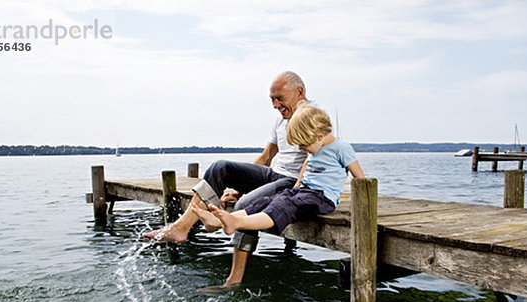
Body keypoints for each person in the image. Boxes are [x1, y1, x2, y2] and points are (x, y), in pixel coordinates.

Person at [143, 71, 311, 285]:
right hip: (275, 176)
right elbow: (266, 156)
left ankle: (234, 279)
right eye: (272, 99)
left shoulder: (312, 116)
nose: (275, 105)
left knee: (245, 204)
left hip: (293, 183)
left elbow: (313, 159)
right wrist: (241, 186)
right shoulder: (281, 121)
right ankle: (182, 227)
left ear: (299, 92)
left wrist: (295, 191)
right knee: (219, 167)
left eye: (280, 98)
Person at [191, 104, 365, 284]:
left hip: (322, 198)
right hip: (303, 191)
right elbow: (305, 170)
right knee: (268, 200)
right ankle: (219, 222)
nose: (301, 148)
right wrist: (295, 188)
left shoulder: (341, 148)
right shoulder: (315, 146)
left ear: (320, 136)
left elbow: (360, 178)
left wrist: (357, 204)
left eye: (303, 145)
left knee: (283, 206)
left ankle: (236, 222)